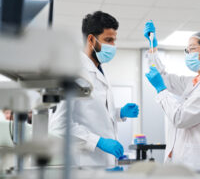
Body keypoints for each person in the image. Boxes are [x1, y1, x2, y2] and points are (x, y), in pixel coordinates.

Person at [49, 11, 139, 167]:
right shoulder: (73, 71)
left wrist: (119, 113)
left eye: (114, 41)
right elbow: (58, 125)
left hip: (104, 163)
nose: (112, 46)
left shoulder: (98, 70)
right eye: (108, 40)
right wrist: (98, 142)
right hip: (84, 163)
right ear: (91, 39)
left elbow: (91, 111)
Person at [144, 21, 200, 175]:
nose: (188, 54)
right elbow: (163, 77)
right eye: (187, 50)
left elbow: (180, 118)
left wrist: (161, 90)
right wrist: (152, 48)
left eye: (192, 49)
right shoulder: (194, 82)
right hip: (184, 162)